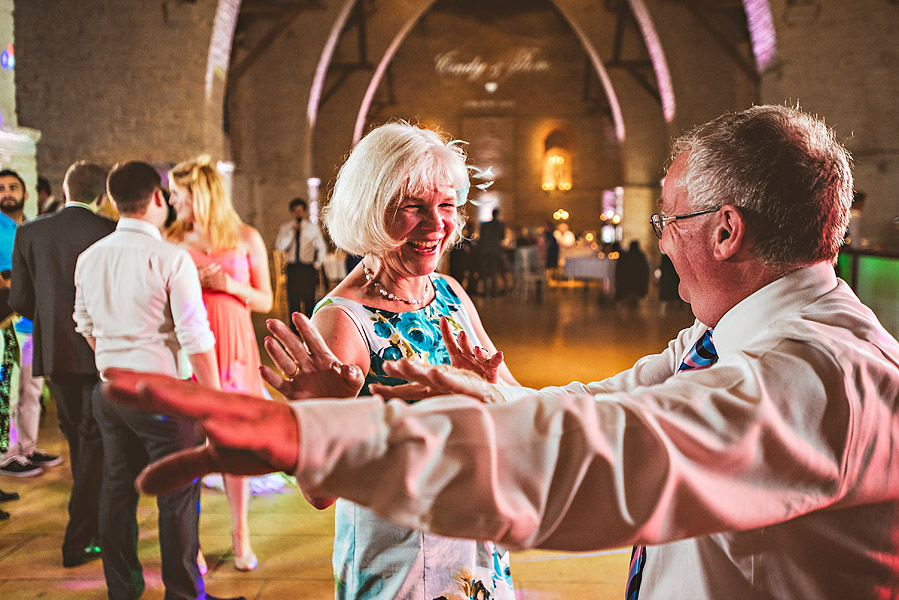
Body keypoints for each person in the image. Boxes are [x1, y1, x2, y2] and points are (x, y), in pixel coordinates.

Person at [105, 105, 899, 599]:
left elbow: (609, 457)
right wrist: (493, 393)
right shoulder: (716, 343)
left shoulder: (817, 374)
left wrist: (325, 433)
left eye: (667, 223)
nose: (657, 248)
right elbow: (602, 407)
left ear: (726, 231)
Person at [276, 122, 517, 599]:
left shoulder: (448, 293)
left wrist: (488, 391)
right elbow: (320, 493)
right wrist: (319, 424)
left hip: (475, 538)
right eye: (413, 208)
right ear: (371, 209)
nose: (435, 225)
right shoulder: (344, 321)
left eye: (446, 205)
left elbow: (516, 404)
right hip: (406, 556)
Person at [74, 161, 241, 600]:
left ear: (112, 203)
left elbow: (85, 324)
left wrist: (113, 365)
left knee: (116, 489)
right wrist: (214, 398)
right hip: (164, 395)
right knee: (177, 495)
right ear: (157, 199)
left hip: (110, 391)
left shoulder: (89, 258)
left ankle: (123, 591)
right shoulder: (170, 258)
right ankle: (184, 594)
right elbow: (194, 334)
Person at [167, 155, 273, 571]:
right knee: (190, 444)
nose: (174, 203)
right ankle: (190, 542)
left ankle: (240, 533)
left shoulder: (246, 237)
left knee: (235, 444)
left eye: (179, 196)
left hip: (236, 347)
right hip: (191, 347)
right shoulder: (172, 240)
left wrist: (228, 284)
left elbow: (265, 300)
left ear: (200, 194)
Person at [9, 161, 114, 567]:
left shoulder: (30, 232)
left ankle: (100, 531)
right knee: (94, 445)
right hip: (102, 351)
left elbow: (18, 301)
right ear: (102, 195)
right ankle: (79, 539)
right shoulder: (110, 230)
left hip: (57, 354)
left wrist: (53, 322)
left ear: (66, 188)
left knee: (84, 443)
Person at [0, 169, 57, 479]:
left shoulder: (33, 228)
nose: (7, 193)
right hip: (6, 325)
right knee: (6, 392)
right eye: (1, 188)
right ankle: (6, 454)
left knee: (32, 390)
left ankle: (28, 447)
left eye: (13, 187)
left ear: (25, 193)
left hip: (33, 323)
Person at [274, 197, 325, 322]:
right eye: (296, 211)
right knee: (293, 299)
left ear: (304, 212)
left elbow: (322, 246)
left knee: (309, 299)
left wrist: (317, 263)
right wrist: (292, 233)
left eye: (301, 210)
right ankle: (294, 327)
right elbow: (280, 247)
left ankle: (310, 324)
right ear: (292, 212)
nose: (298, 213)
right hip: (292, 267)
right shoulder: (286, 228)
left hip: (308, 266)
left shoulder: (312, 228)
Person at [478, 208, 506, 297]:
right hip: (495, 251)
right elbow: (502, 237)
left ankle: (485, 291)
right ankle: (493, 292)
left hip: (485, 250)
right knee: (494, 271)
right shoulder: (501, 225)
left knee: (485, 272)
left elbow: (481, 237)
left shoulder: (484, 225)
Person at [614, 240, 650, 306]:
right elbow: (645, 271)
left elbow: (620, 270)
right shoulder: (641, 256)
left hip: (627, 281)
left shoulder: (626, 256)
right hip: (638, 281)